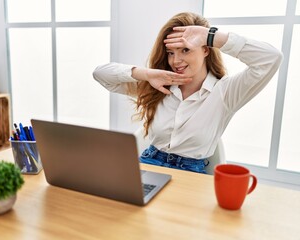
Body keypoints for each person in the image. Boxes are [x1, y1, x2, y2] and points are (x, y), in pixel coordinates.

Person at [92, 12, 283, 174]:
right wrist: (147, 74)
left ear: (206, 50)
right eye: (171, 52)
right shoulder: (158, 85)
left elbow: (271, 59)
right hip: (149, 164)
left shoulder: (225, 92)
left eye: (185, 50)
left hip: (191, 174)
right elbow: (101, 74)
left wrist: (210, 35)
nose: (176, 61)